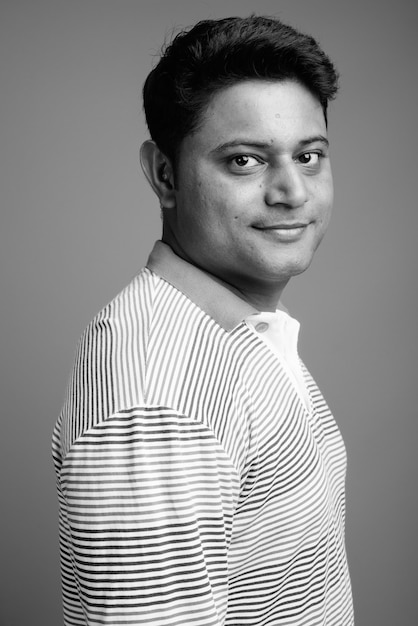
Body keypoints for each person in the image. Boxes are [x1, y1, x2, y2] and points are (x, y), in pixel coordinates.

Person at [52, 15, 354, 626]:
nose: (292, 190)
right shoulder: (159, 394)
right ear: (164, 174)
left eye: (310, 155)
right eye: (245, 160)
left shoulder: (237, 332)